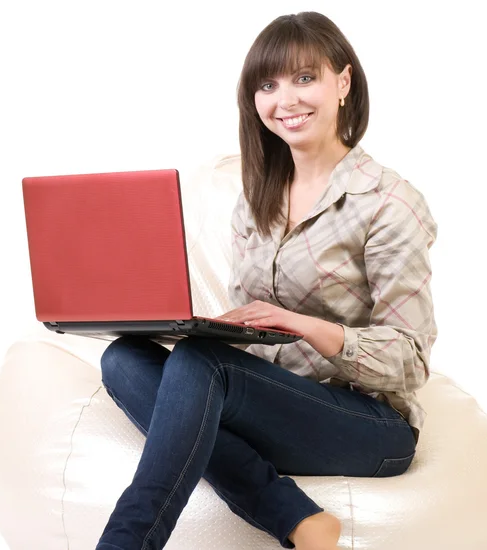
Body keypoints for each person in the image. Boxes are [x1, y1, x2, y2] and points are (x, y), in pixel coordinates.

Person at [96, 10, 438, 550]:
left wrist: (303, 326)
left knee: (199, 366)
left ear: (343, 83)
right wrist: (207, 327)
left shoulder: (390, 204)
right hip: (278, 403)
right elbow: (247, 338)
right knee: (124, 358)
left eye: (306, 78)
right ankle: (299, 519)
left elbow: (410, 362)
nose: (287, 100)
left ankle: (125, 542)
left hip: (368, 424)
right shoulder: (255, 202)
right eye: (268, 85)